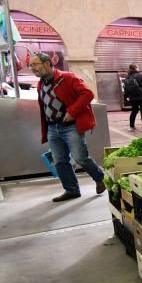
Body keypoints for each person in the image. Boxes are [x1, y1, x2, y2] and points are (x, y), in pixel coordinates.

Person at [29, 52, 106, 202]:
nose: (32, 68)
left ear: (47, 64)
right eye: (31, 65)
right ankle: (71, 190)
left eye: (35, 64)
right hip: (52, 128)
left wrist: (72, 111)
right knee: (59, 161)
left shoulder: (68, 77)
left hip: (70, 127)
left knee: (80, 158)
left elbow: (88, 94)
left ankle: (100, 178)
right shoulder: (41, 83)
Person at [124, 63, 142, 131]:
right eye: (137, 67)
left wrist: (127, 96)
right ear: (136, 68)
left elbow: (126, 88)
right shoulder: (140, 76)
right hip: (141, 96)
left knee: (134, 110)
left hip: (132, 97)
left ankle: (131, 126)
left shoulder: (127, 77)